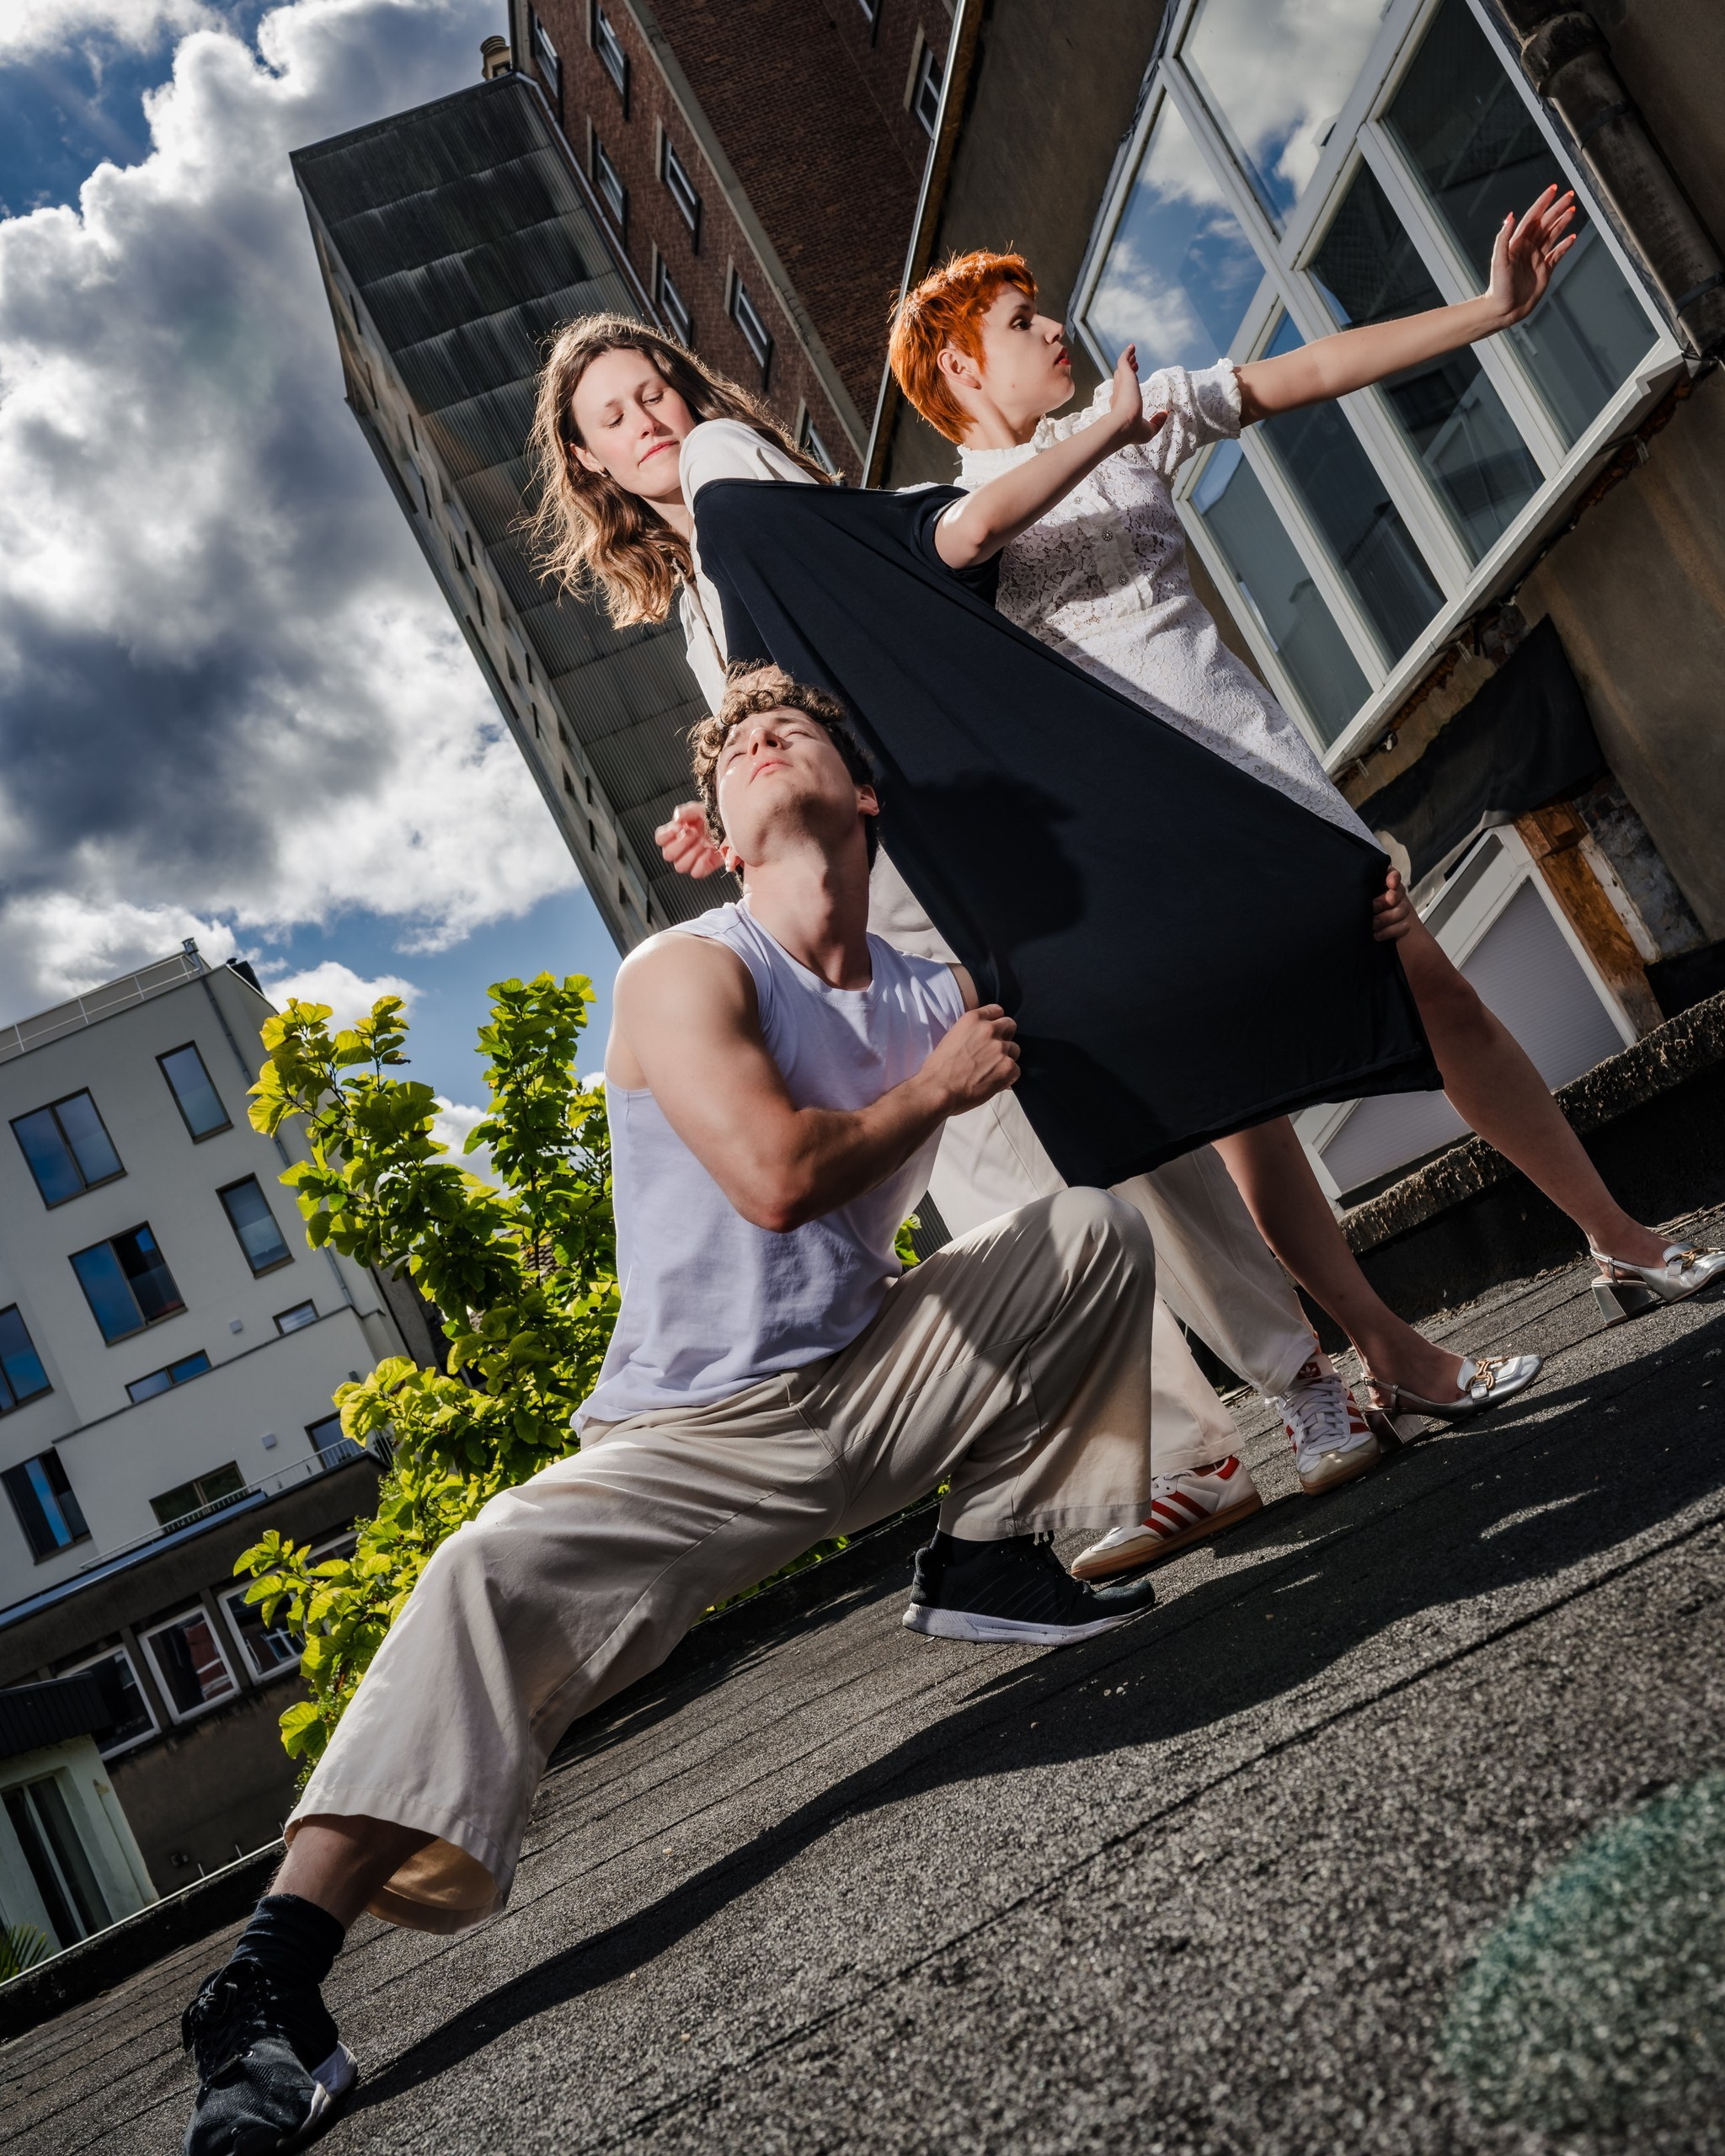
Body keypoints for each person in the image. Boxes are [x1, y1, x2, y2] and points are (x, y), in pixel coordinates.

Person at [179, 671, 1167, 2153]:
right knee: (484, 1575)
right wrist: (942, 1090)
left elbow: (1114, 931)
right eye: (736, 747)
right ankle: (267, 1991)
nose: (764, 739)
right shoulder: (683, 972)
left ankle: (993, 1553)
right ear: (711, 829)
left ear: (864, 791)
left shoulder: (929, 982)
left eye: (798, 729)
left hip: (871, 1375)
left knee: (1092, 1230)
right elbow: (775, 1176)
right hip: (693, 1440)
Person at [521, 315, 1538, 1571]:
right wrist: (721, 809)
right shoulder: (695, 607)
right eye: (615, 417)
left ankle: (1302, 1385)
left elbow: (904, 585)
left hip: (965, 879)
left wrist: (1109, 427)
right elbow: (791, 720)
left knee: (1138, 1140)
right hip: (875, 940)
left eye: (657, 388)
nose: (653, 419)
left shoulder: (738, 466)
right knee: (1017, 1193)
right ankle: (1186, 1466)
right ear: (593, 467)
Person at [879, 205, 1724, 1408]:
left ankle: (1620, 1238)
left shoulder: (1131, 421)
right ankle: (1392, 1353)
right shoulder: (941, 525)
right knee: (1249, 1109)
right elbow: (972, 538)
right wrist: (1104, 430)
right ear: (961, 365)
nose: (1056, 327)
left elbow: (1305, 372)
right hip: (1149, 843)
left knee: (1436, 993)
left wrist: (1491, 311)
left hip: (1268, 777)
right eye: (1023, 322)